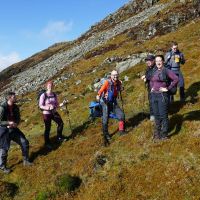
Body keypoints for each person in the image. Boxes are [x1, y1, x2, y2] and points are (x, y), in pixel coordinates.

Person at [0, 92, 32, 174]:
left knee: (24, 142)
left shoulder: (15, 107)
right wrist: (8, 123)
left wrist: (16, 123)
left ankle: (26, 160)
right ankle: (3, 167)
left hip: (13, 129)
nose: (16, 98)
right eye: (14, 97)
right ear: (9, 98)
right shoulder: (2, 108)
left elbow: (18, 118)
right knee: (4, 149)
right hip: (4, 131)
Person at [149, 55, 178, 140]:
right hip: (154, 96)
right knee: (156, 115)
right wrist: (152, 88)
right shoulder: (154, 71)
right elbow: (151, 80)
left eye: (160, 60)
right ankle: (157, 133)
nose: (158, 62)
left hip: (162, 96)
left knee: (163, 116)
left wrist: (167, 88)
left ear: (163, 61)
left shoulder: (166, 71)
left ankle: (164, 134)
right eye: (157, 61)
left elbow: (176, 79)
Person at [96, 70, 125, 146]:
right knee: (105, 119)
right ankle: (106, 135)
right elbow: (101, 90)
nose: (115, 76)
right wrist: (98, 95)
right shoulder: (107, 82)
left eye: (116, 75)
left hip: (113, 102)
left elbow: (119, 89)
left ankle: (121, 131)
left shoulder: (118, 82)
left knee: (121, 115)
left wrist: (121, 87)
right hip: (105, 102)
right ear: (111, 76)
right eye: (114, 75)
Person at [39, 81, 66, 149]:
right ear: (47, 87)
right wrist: (47, 107)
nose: (50, 87)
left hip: (54, 112)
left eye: (51, 85)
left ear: (53, 86)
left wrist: (62, 104)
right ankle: (47, 143)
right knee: (48, 128)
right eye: (49, 86)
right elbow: (40, 105)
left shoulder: (54, 94)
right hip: (46, 114)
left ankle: (59, 137)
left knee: (61, 123)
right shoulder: (43, 95)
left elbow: (56, 104)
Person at [141, 54, 156, 121]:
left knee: (156, 101)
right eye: (146, 60)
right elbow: (148, 75)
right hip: (150, 88)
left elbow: (155, 76)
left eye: (149, 60)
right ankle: (152, 115)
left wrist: (146, 77)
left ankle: (157, 115)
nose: (147, 62)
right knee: (151, 101)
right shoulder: (148, 68)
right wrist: (146, 79)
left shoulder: (156, 67)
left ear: (153, 61)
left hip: (156, 88)